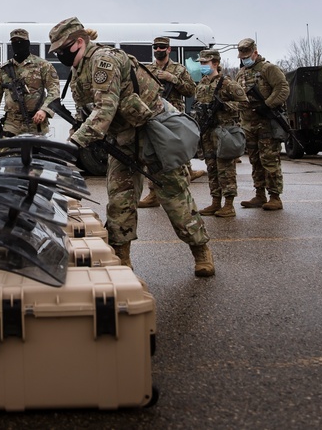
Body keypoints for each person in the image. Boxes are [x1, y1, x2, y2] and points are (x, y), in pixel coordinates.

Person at [49, 17, 214, 277]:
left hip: (152, 133)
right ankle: (121, 259)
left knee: (174, 195)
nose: (59, 56)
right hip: (122, 140)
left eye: (61, 50)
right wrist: (76, 133)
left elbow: (105, 107)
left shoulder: (103, 61)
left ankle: (201, 250)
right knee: (119, 200)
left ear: (79, 42)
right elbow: (86, 113)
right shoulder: (79, 70)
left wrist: (73, 145)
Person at [138, 36, 200, 208]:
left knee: (177, 156)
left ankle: (182, 195)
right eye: (156, 47)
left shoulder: (178, 69)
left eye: (162, 47)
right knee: (153, 154)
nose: (158, 50)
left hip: (172, 117)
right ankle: (153, 193)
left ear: (169, 49)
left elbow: (190, 91)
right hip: (153, 116)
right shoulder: (148, 69)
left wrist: (172, 78)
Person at [235, 37, 289, 211]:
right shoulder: (241, 73)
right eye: (242, 56)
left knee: (269, 160)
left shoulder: (268, 69)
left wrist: (267, 105)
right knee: (255, 160)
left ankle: (275, 196)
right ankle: (259, 194)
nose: (244, 58)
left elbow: (282, 89)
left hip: (266, 123)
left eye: (247, 55)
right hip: (248, 123)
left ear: (255, 52)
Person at [193, 49, 247, 218]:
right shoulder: (202, 84)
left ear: (215, 63)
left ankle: (229, 205)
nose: (202, 66)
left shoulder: (226, 83)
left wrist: (226, 106)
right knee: (211, 166)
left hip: (223, 131)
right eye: (201, 63)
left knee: (226, 168)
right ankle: (215, 202)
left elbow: (244, 103)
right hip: (207, 132)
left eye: (205, 63)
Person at [0, 28, 60, 138]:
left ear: (27, 43)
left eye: (20, 42)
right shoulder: (3, 70)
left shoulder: (43, 66)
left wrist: (44, 110)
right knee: (5, 153)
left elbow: (54, 91)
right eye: (14, 42)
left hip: (36, 122)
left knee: (39, 154)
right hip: (11, 123)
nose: (17, 45)